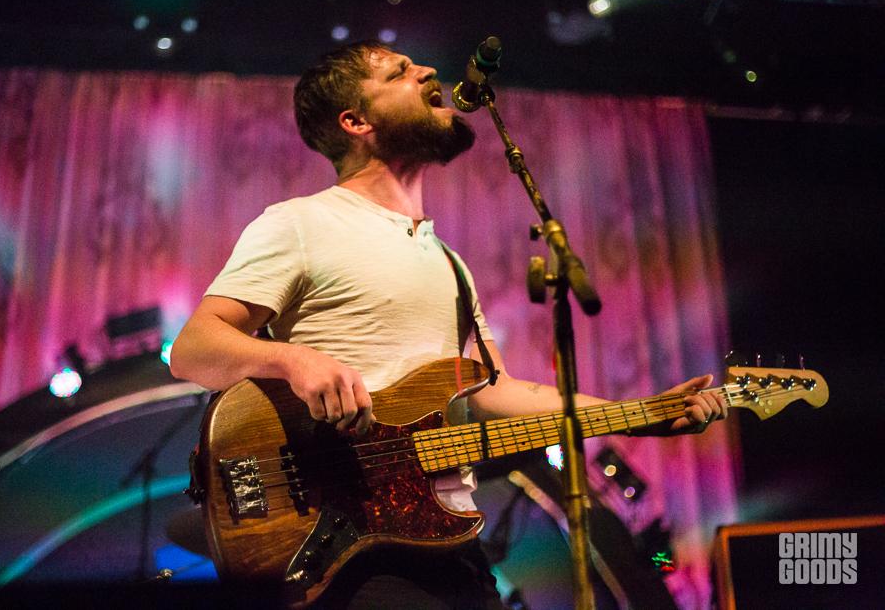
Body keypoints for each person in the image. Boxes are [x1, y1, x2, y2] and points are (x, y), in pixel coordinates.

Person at [169, 41, 727, 609]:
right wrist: (295, 360)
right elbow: (193, 349)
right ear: (355, 121)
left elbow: (494, 393)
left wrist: (636, 415)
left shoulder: (450, 262)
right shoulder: (301, 224)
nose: (428, 71)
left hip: (449, 542)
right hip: (350, 552)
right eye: (399, 73)